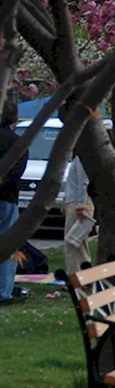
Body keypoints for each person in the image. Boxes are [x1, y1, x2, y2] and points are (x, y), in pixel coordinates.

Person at [0, 100, 28, 304]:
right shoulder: (17, 143)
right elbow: (16, 174)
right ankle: (3, 292)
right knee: (7, 247)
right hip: (7, 199)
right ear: (15, 119)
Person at [62, 154, 95, 276]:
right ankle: (81, 275)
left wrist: (82, 206)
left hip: (79, 203)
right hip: (74, 201)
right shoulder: (78, 158)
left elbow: (84, 182)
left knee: (74, 243)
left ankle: (78, 277)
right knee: (77, 243)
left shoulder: (82, 158)